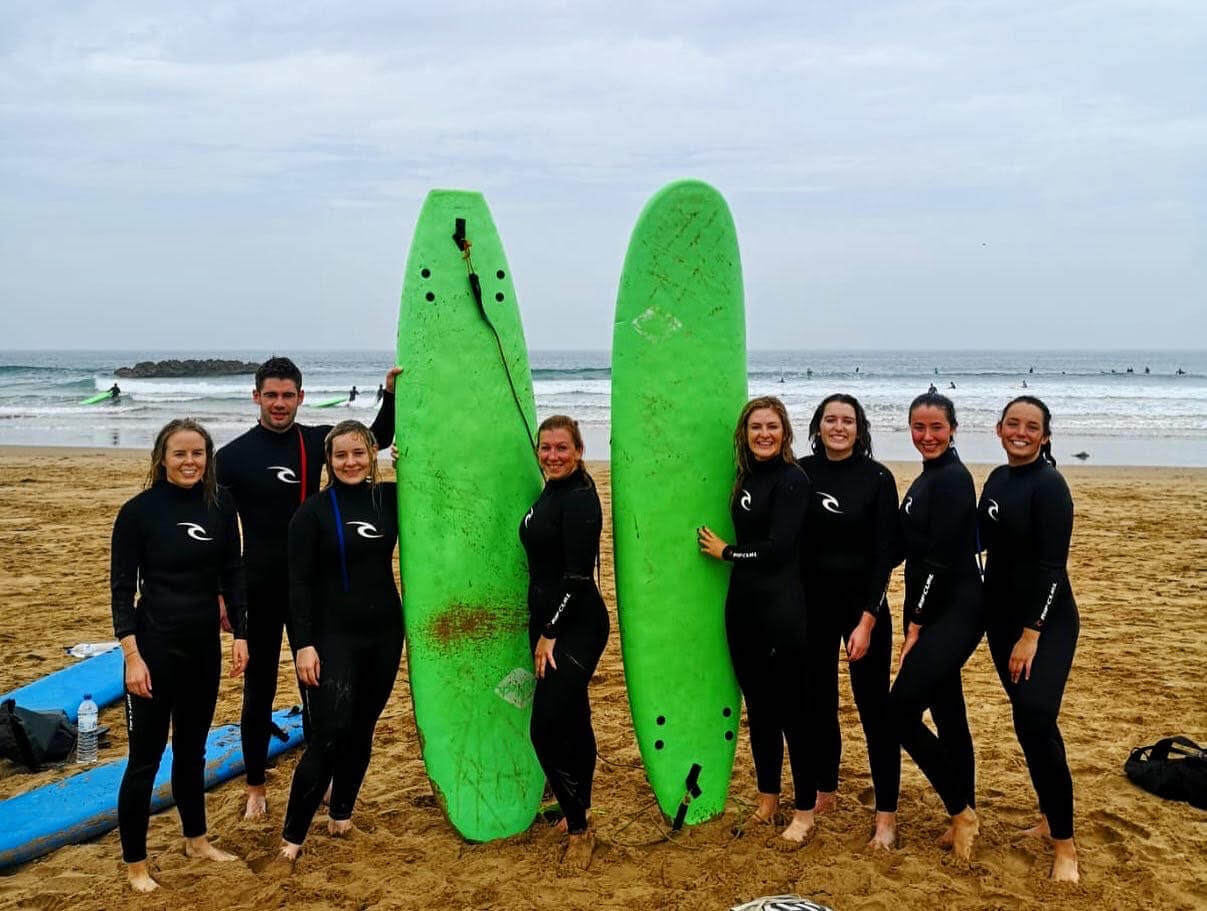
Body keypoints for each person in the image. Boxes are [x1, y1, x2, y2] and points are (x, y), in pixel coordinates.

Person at [215, 356, 400, 819]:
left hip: (311, 589)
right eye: (271, 395)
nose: (280, 404)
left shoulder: (316, 441)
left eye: (288, 395)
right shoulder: (232, 458)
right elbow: (217, 530)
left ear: (301, 396)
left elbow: (375, 439)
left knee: (315, 687)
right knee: (257, 689)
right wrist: (222, 592)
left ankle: (325, 775)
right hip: (256, 586)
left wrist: (391, 393)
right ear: (256, 397)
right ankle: (256, 785)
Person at [110, 419, 248, 893]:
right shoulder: (137, 513)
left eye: (198, 453)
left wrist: (242, 635)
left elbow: (233, 572)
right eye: (180, 454)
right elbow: (121, 591)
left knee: (192, 752)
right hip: (154, 648)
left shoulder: (220, 505)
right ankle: (136, 864)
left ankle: (196, 839)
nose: (190, 462)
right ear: (162, 458)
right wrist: (132, 656)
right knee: (144, 760)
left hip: (202, 650)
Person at [279, 420, 403, 861]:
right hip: (333, 637)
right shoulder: (311, 513)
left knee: (363, 727)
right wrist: (304, 645)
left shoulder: (391, 499)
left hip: (386, 632)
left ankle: (341, 815)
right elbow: (298, 587)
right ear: (328, 461)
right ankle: (292, 840)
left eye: (358, 453)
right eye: (340, 455)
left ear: (373, 454)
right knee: (329, 733)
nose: (350, 462)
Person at [698, 396, 814, 845]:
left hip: (781, 610)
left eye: (771, 426)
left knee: (792, 714)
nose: (763, 434)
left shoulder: (792, 480)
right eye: (755, 427)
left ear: (784, 432)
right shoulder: (746, 478)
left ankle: (804, 812)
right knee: (760, 710)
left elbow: (778, 548)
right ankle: (768, 799)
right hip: (743, 607)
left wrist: (728, 552)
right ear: (745, 435)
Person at [979, 397, 1080, 882]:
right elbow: (981, 539)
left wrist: (1031, 633)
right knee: (1028, 723)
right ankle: (1046, 818)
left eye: (1032, 426)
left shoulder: (1050, 487)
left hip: (1045, 624)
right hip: (1002, 623)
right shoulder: (998, 480)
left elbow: (1052, 568)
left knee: (1038, 717)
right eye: (1013, 424)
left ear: (1044, 436)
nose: (1021, 432)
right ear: (999, 429)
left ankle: (1066, 847)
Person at [798, 394, 900, 850]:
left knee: (873, 709)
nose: (838, 427)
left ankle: (886, 816)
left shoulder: (878, 478)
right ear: (818, 426)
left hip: (865, 612)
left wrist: (867, 619)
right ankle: (826, 790)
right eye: (830, 419)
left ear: (860, 429)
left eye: (848, 421)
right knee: (818, 703)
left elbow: (885, 557)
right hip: (813, 609)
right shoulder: (800, 472)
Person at [889, 392, 983, 861]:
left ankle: (962, 809)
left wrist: (916, 625)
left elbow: (941, 561)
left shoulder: (952, 481)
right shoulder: (930, 477)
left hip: (955, 610)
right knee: (948, 713)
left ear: (953, 429)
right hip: (928, 605)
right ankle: (961, 814)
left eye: (936, 428)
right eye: (919, 428)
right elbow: (909, 548)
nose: (927, 437)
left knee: (899, 712)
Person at [520, 415, 609, 870]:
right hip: (552, 623)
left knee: (545, 726)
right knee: (573, 717)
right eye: (546, 448)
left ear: (578, 450)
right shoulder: (553, 491)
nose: (553, 456)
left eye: (562, 448)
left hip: (576, 626)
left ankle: (579, 828)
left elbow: (575, 580)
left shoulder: (579, 500)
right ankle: (582, 807)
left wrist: (549, 634)